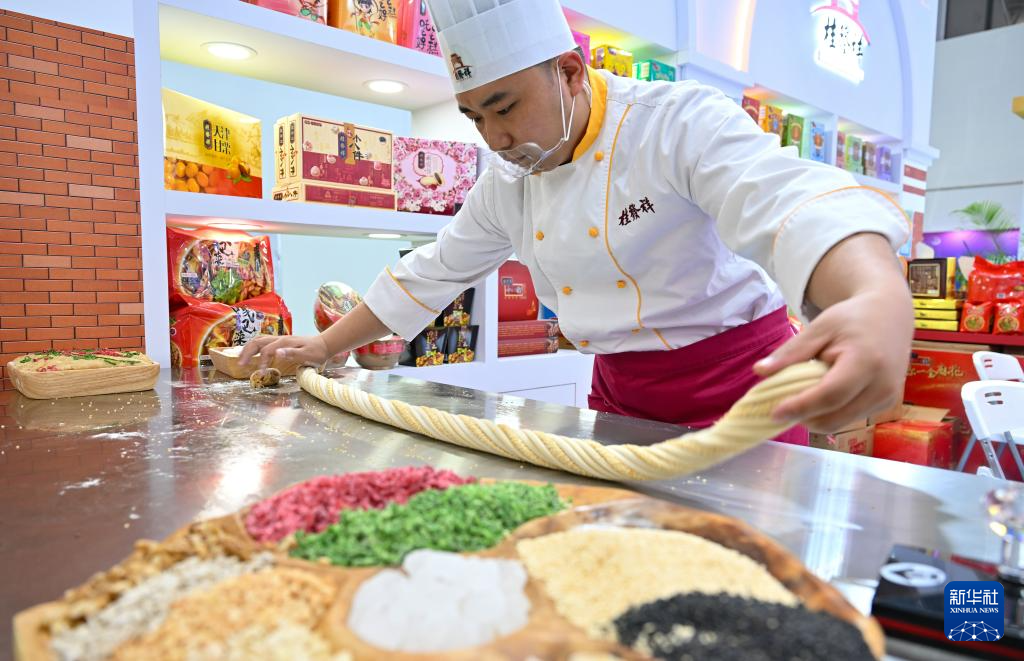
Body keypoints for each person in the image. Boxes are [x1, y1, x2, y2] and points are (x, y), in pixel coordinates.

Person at [241, 0, 913, 441]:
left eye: (505, 108)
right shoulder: (508, 182)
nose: (496, 140)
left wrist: (874, 294)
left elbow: (788, 200)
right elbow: (432, 272)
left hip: (743, 391)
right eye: (474, 118)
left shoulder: (673, 123)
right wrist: (325, 346)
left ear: (568, 71)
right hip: (620, 397)